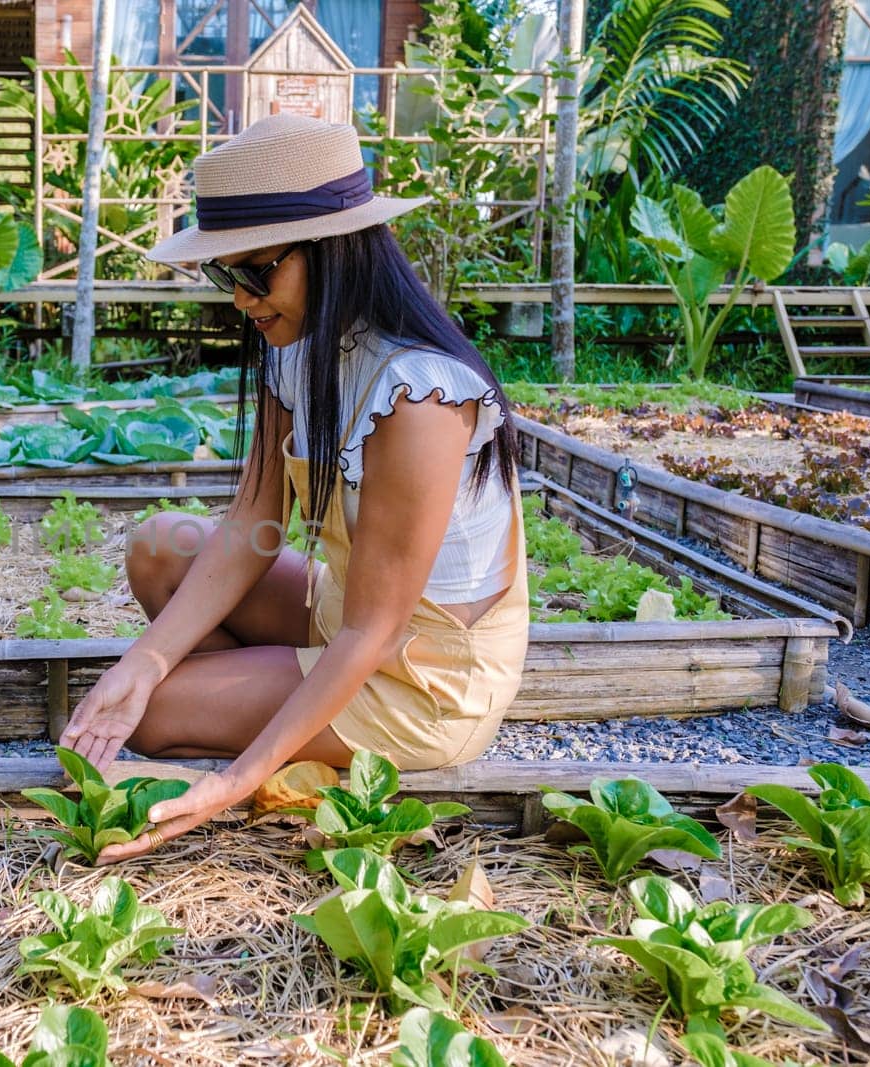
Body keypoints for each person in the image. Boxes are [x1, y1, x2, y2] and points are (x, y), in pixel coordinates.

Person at [59, 114, 529, 864]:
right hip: (347, 616)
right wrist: (142, 661)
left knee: (155, 721)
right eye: (225, 275)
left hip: (422, 677)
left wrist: (235, 781)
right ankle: (254, 697)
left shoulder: (419, 395)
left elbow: (375, 631)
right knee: (160, 547)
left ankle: (257, 717)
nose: (241, 298)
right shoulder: (298, 348)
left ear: (333, 250)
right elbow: (254, 521)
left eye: (254, 271)